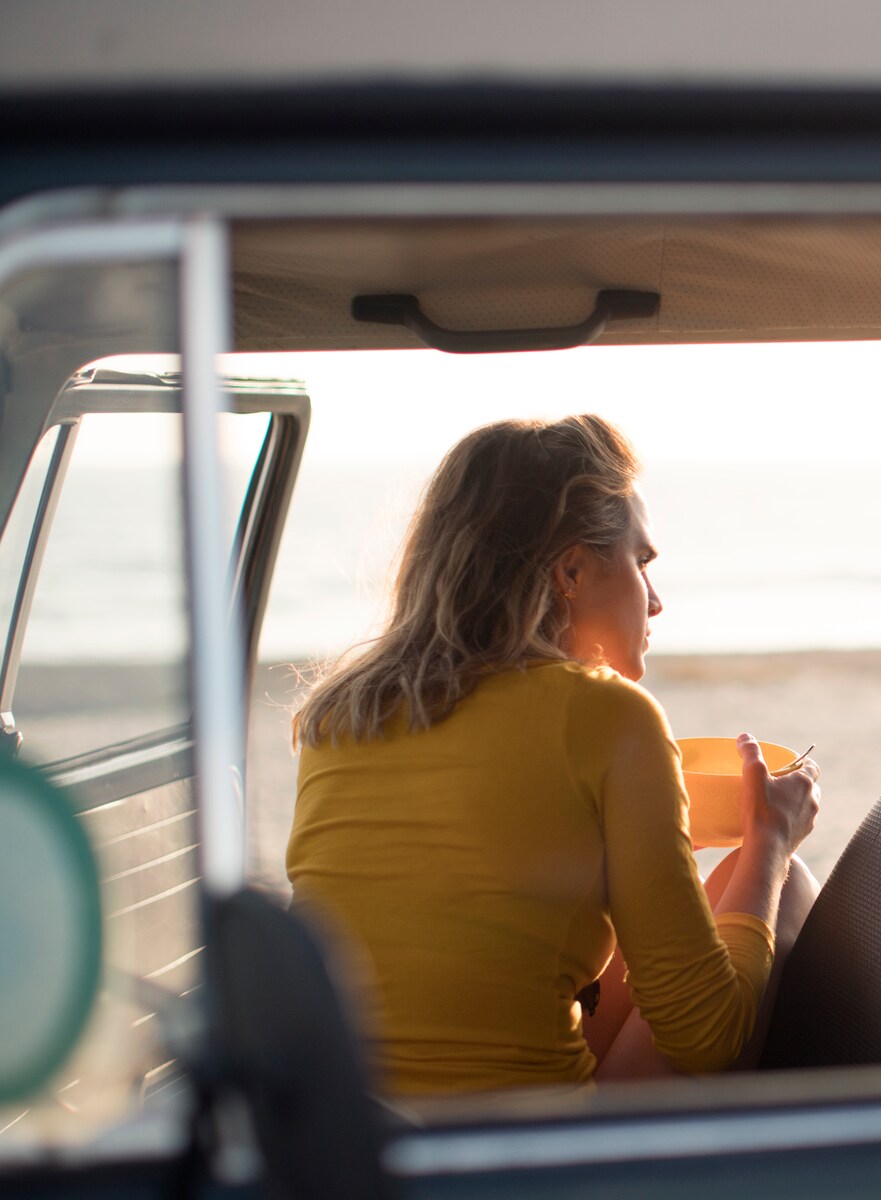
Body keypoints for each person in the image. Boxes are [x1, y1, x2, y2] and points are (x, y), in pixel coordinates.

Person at [286, 414, 820, 1094]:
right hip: (521, 1164)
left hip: (347, 1142)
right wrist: (770, 839)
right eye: (641, 562)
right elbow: (705, 1035)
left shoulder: (342, 713)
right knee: (782, 883)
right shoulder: (607, 717)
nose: (655, 602)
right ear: (570, 569)